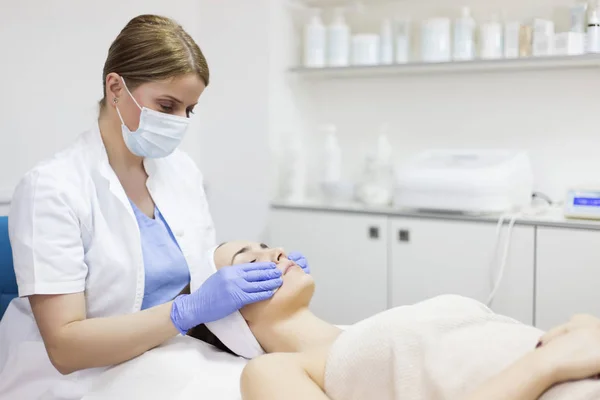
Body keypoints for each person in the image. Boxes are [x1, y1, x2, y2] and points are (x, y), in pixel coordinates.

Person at [0, 15, 309, 400]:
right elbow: (65, 348)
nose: (180, 122)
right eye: (168, 104)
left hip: (165, 358)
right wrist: (186, 310)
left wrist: (265, 274)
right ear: (116, 87)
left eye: (189, 110)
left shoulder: (181, 173)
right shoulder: (52, 188)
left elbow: (197, 277)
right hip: (77, 378)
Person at [201, 241, 600, 400]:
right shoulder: (271, 371)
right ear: (227, 311)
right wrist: (546, 363)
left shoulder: (367, 328)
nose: (276, 252)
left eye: (268, 245)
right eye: (250, 262)